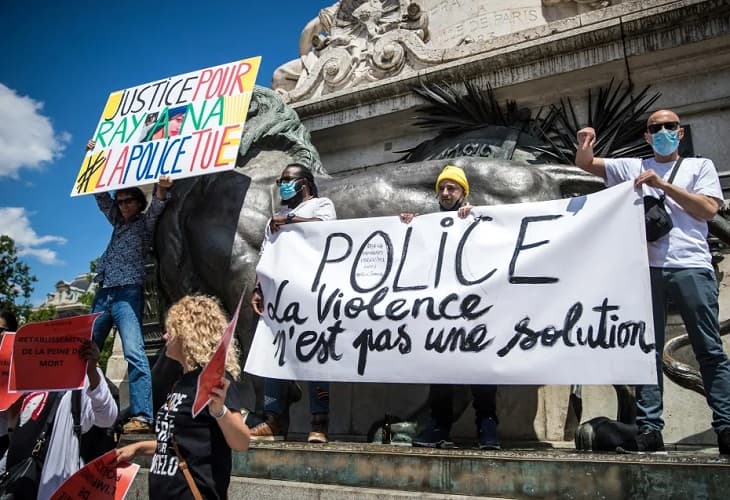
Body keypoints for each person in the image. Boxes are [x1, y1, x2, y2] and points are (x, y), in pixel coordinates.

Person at [575, 109, 730, 454]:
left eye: (669, 126)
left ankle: (726, 426)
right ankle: (649, 429)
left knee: (709, 350)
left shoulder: (699, 167)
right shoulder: (632, 166)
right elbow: (587, 164)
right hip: (645, 271)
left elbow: (707, 210)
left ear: (680, 133)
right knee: (646, 353)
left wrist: (662, 185)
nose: (662, 131)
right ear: (646, 136)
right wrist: (585, 143)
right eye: (654, 127)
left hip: (692, 266)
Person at [400, 165, 500, 450]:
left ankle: (487, 428)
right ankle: (439, 427)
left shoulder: (477, 218)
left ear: (463, 193)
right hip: (441, 311)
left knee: (481, 370)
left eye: (452, 188)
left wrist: (477, 218)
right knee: (440, 372)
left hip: (474, 309)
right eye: (442, 188)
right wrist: (409, 226)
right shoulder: (429, 223)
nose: (445, 193)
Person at [116, 295, 249, 499]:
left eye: (170, 330)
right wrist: (139, 448)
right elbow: (180, 444)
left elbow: (241, 442)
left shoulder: (213, 380)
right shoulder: (180, 382)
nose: (165, 337)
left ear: (188, 333)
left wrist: (219, 411)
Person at [86, 139, 173, 434]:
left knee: (134, 353)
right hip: (104, 292)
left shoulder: (144, 224)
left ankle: (143, 416)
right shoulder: (117, 222)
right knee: (83, 350)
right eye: (119, 201)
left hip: (127, 295)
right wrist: (95, 157)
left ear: (138, 203)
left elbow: (159, 203)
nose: (121, 206)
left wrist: (161, 187)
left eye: (127, 201)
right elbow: (100, 197)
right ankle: (80, 405)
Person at [250, 163, 337, 443]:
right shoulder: (275, 218)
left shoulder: (321, 205)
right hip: (279, 296)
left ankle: (319, 424)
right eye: (280, 181)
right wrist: (258, 288)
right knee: (274, 355)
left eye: (287, 180)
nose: (282, 185)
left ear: (305, 184)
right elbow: (266, 255)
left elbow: (326, 229)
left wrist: (289, 223)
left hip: (311, 293)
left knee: (315, 357)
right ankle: (273, 419)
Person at [5, 340, 118, 499]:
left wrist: (92, 372)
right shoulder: (34, 375)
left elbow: (107, 418)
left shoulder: (83, 382)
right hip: (17, 480)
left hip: (51, 487)